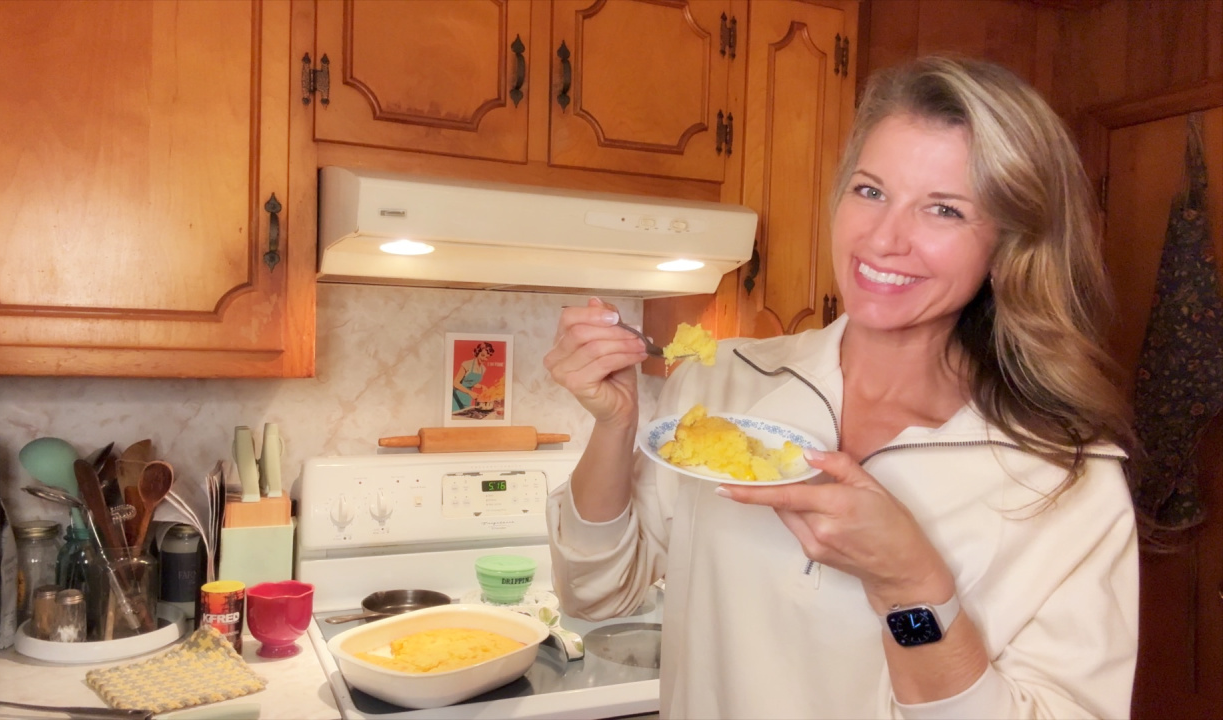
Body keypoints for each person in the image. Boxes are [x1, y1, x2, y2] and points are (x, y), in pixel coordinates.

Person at [543, 55, 1139, 719]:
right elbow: (597, 594)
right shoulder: (724, 384)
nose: (885, 239)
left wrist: (909, 590)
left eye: (942, 209)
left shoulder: (1066, 482)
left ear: (1007, 249)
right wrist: (616, 423)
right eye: (870, 190)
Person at [452, 342, 493, 414]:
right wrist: (470, 392)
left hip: (467, 398)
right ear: (478, 352)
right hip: (456, 397)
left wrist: (481, 386)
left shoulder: (483, 369)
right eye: (482, 355)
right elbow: (455, 383)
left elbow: (469, 382)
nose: (484, 359)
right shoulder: (467, 364)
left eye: (487, 357)